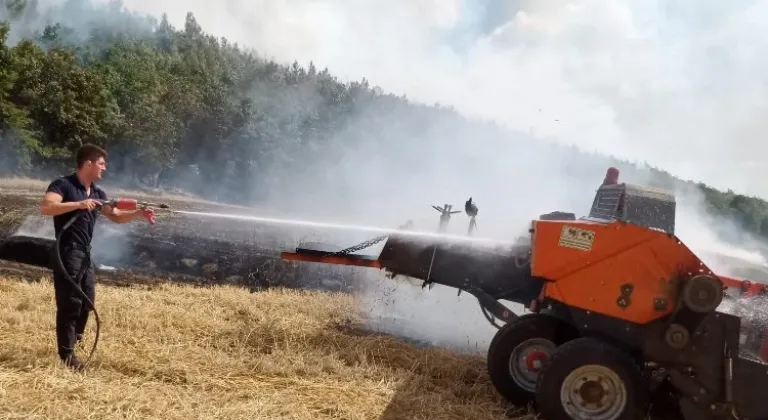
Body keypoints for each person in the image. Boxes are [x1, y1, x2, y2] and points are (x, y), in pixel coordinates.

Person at [39, 143, 155, 371]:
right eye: (101, 163)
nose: (105, 168)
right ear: (88, 163)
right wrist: (79, 204)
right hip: (66, 250)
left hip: (84, 252)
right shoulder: (63, 184)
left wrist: (140, 213)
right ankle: (67, 355)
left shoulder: (99, 194)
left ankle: (75, 339)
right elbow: (47, 207)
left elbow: (116, 215)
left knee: (87, 300)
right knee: (69, 303)